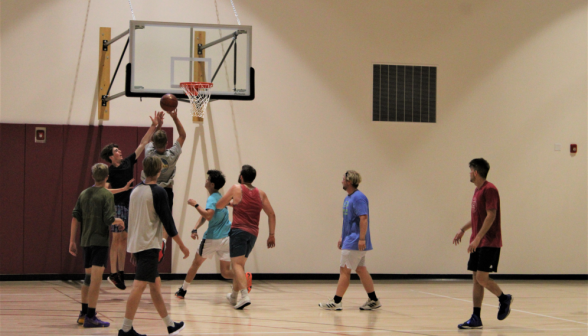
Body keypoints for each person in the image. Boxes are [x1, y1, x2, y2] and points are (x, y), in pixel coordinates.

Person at [118, 156, 190, 336]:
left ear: (144, 170)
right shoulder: (158, 192)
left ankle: (170, 325)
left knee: (155, 286)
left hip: (139, 244)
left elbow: (132, 220)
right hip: (149, 246)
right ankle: (126, 329)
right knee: (139, 287)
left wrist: (134, 248)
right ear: (159, 171)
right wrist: (182, 246)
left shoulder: (135, 191)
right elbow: (168, 222)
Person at [99, 112, 163, 290]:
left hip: (128, 206)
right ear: (111, 157)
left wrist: (154, 126)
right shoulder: (109, 171)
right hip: (116, 206)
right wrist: (124, 189)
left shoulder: (128, 162)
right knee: (116, 238)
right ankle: (113, 273)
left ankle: (120, 272)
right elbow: (106, 190)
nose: (120, 151)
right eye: (116, 151)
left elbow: (143, 143)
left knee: (124, 238)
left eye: (119, 150)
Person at [453, 158, 513, 329]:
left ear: (476, 172)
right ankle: (476, 317)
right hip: (478, 241)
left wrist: (478, 237)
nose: (469, 173)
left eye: (470, 170)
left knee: (481, 278)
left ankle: (504, 298)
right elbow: (476, 218)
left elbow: (491, 215)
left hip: (489, 241)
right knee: (476, 279)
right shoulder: (477, 191)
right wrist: (463, 230)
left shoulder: (490, 189)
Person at [69, 163, 125, 328]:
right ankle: (91, 316)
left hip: (85, 242)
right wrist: (119, 220)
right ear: (107, 177)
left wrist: (72, 241)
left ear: (93, 176)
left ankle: (83, 313)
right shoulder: (106, 195)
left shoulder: (84, 193)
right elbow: (108, 219)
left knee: (87, 279)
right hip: (99, 242)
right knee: (95, 280)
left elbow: (75, 217)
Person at [318, 170, 381, 311]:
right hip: (349, 239)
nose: (341, 181)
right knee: (360, 269)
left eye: (343, 179)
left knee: (344, 270)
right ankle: (373, 300)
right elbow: (347, 221)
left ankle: (336, 301)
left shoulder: (359, 198)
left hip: (355, 241)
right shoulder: (348, 198)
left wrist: (362, 238)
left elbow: (363, 218)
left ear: (350, 181)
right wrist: (342, 236)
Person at [216, 165, 276, 309]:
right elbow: (271, 214)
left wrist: (230, 203)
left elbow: (219, 205)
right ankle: (233, 296)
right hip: (253, 233)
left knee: (236, 265)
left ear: (241, 176)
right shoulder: (261, 193)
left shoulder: (236, 188)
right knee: (240, 266)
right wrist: (271, 235)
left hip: (238, 231)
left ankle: (244, 296)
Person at [175, 170, 236, 299]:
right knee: (225, 272)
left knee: (195, 264)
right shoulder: (220, 197)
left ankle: (182, 291)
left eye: (208, 179)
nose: (206, 180)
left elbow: (208, 215)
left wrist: (195, 204)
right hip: (226, 238)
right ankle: (243, 277)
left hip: (212, 239)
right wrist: (195, 228)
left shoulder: (212, 198)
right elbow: (207, 214)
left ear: (212, 184)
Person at [140, 109, 186, 263]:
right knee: (166, 219)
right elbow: (182, 135)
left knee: (150, 218)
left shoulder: (149, 154)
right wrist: (175, 117)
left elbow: (151, 142)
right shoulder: (172, 155)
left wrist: (158, 125)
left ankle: (149, 244)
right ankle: (163, 241)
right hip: (166, 191)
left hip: (149, 190)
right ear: (167, 143)